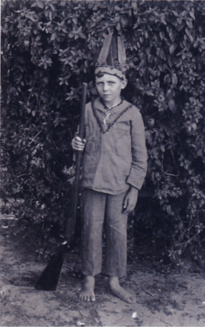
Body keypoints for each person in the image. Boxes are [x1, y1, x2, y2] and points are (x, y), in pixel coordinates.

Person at [71, 32, 147, 303]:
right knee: (91, 229)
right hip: (92, 181)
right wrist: (76, 143)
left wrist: (134, 188)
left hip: (119, 185)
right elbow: (81, 139)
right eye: (100, 82)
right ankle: (89, 279)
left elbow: (140, 157)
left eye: (111, 82)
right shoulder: (88, 109)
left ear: (122, 83)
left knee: (117, 231)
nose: (105, 87)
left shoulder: (132, 114)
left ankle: (114, 281)